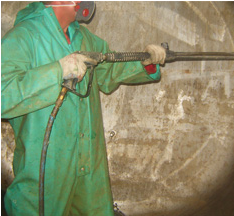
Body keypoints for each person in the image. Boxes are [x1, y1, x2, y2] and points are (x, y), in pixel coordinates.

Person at [1, 1, 165, 215]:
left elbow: (111, 70)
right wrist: (58, 71)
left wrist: (145, 62)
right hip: (45, 172)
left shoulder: (85, 38)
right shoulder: (23, 37)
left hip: (89, 172)